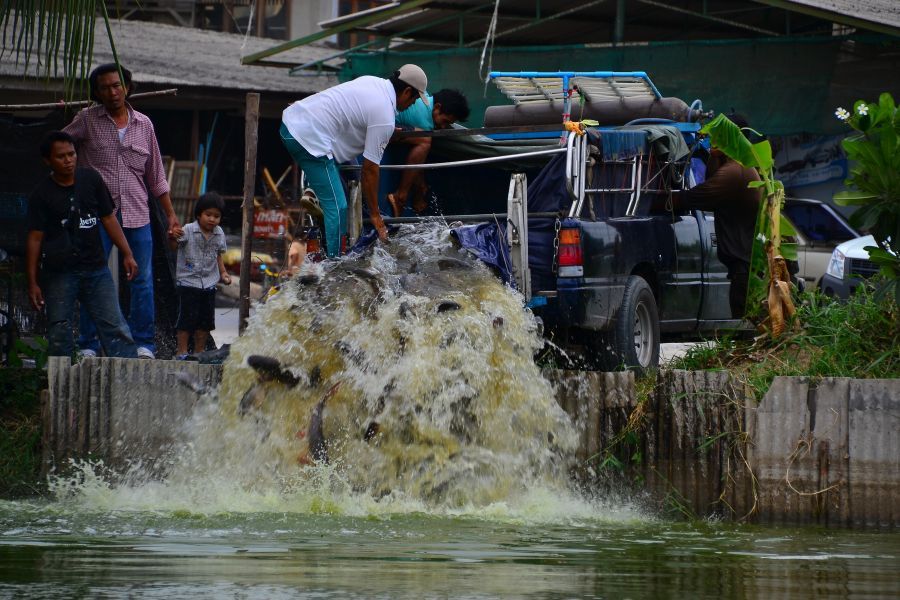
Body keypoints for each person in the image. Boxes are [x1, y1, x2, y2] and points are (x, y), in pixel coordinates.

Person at [64, 63, 182, 359]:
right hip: (95, 214)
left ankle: (144, 344)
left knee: (142, 279)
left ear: (127, 87)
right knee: (93, 275)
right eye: (105, 87)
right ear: (96, 92)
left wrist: (170, 215)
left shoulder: (144, 124)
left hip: (137, 211)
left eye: (117, 85)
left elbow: (156, 177)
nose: (112, 92)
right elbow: (59, 147)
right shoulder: (86, 120)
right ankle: (89, 344)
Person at [280, 64, 429, 257]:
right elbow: (370, 170)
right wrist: (376, 216)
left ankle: (315, 193)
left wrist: (385, 133)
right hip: (307, 137)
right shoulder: (384, 113)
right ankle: (335, 265)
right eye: (415, 98)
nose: (413, 104)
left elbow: (353, 118)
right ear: (407, 91)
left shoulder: (374, 82)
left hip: (297, 124)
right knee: (338, 205)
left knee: (349, 175)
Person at [25, 131, 139, 359]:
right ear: (48, 160)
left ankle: (129, 379)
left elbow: (108, 218)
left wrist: (127, 253)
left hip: (95, 269)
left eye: (72, 154)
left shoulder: (91, 180)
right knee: (59, 331)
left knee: (116, 327)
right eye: (61, 156)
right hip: (59, 271)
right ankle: (61, 385)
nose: (68, 160)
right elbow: (35, 238)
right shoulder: (41, 194)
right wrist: (32, 282)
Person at [672, 115, 762, 318]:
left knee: (748, 327)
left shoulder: (735, 172)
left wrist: (658, 200)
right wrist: (714, 155)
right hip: (745, 267)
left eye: (717, 137)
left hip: (746, 270)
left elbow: (692, 198)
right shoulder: (740, 166)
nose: (712, 141)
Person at [387, 88, 470, 216]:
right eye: (444, 122)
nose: (443, 127)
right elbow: (418, 165)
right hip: (385, 128)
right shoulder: (424, 122)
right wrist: (420, 191)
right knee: (425, 140)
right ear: (437, 107)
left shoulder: (424, 96)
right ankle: (400, 195)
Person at [172, 192, 231, 359]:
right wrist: (172, 236)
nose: (212, 219)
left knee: (205, 322)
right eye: (208, 215)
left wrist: (224, 273)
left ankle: (199, 352)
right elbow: (174, 246)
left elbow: (218, 255)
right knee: (185, 319)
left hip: (209, 283)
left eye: (216, 216)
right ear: (199, 214)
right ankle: (181, 351)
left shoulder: (219, 234)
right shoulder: (188, 230)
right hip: (188, 282)